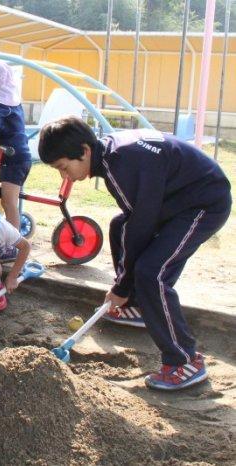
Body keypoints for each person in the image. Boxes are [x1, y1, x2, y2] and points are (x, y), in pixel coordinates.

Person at [38, 116, 231, 391]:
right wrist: (125, 288)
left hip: (204, 203)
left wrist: (122, 285)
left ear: (84, 151)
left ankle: (185, 361)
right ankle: (138, 306)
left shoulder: (121, 166)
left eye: (63, 167)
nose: (64, 175)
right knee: (119, 226)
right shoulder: (110, 158)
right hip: (177, 198)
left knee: (152, 273)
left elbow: (142, 226)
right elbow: (133, 221)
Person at [0, 61, 32, 262]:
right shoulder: (12, 106)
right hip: (17, 157)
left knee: (9, 202)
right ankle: (10, 236)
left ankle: (12, 246)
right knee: (7, 201)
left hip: (13, 159)